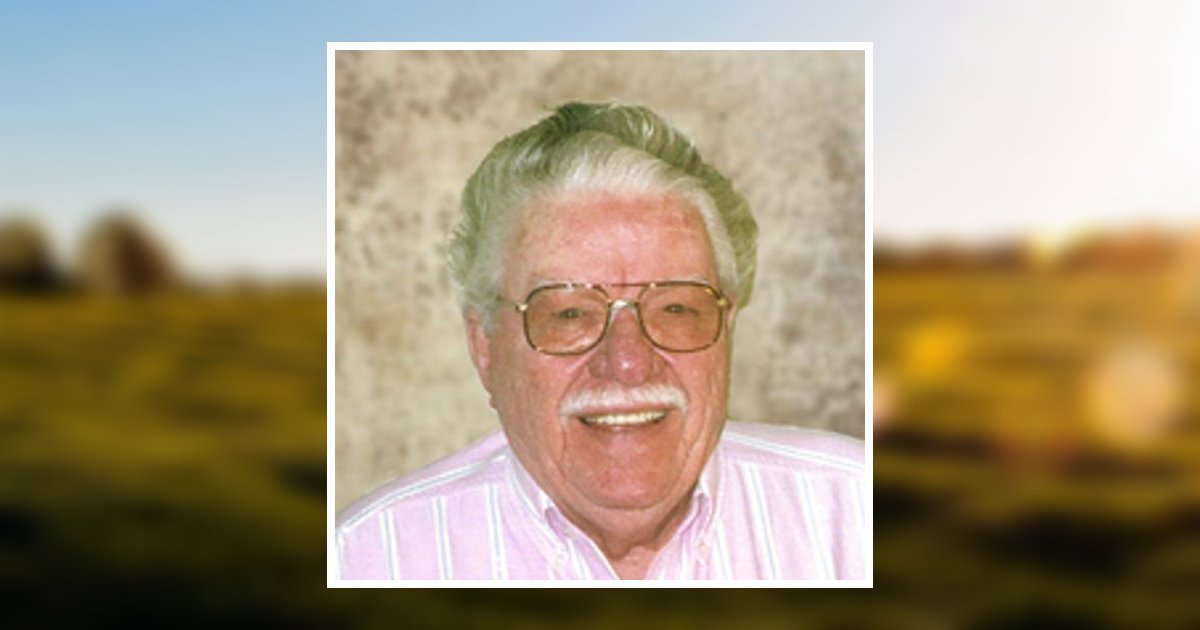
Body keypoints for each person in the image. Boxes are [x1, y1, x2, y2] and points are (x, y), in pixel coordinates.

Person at [336, 102, 866, 580]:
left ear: (726, 328)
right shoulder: (369, 560)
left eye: (676, 308)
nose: (628, 362)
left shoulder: (855, 514)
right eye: (569, 314)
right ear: (485, 347)